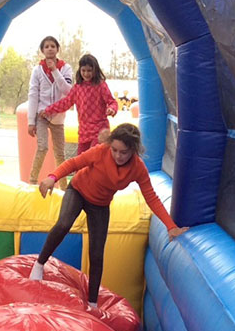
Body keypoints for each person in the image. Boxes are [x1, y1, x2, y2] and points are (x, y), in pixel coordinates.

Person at [29, 123, 189, 308]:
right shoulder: (101, 151)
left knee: (97, 253)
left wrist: (171, 226)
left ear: (133, 150)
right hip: (78, 191)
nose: (118, 156)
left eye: (124, 152)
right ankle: (39, 264)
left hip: (100, 205)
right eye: (115, 150)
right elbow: (73, 163)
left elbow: (151, 197)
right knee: (64, 224)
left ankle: (93, 303)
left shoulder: (138, 168)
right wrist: (52, 177)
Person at [41, 54, 118, 155]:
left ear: (95, 70)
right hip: (84, 131)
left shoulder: (100, 85)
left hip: (99, 131)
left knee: (94, 156)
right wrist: (48, 110)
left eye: (89, 70)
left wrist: (112, 108)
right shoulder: (78, 87)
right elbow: (65, 103)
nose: (86, 74)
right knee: (81, 160)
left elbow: (112, 101)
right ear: (80, 70)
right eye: (83, 70)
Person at [27, 36, 74, 187]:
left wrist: (54, 70)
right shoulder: (37, 70)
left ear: (57, 49)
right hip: (41, 115)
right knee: (42, 147)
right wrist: (31, 121)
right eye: (46, 46)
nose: (50, 49)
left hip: (58, 117)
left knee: (60, 153)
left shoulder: (66, 68)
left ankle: (64, 187)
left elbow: (67, 90)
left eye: (53, 46)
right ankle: (32, 181)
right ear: (42, 50)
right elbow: (33, 95)